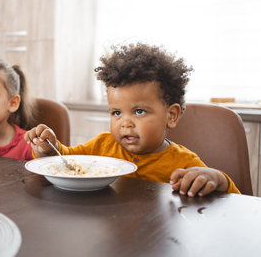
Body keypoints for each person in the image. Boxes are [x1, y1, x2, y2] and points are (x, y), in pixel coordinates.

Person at [25, 42, 240, 196]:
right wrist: (48, 149)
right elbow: (68, 162)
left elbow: (234, 198)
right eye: (116, 113)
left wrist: (215, 178)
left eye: (139, 111)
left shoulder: (183, 162)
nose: (125, 123)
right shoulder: (102, 144)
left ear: (171, 115)